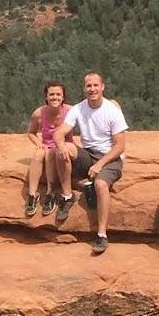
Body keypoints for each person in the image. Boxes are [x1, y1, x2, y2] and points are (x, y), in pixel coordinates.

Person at [53, 72, 128, 254]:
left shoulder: (112, 111)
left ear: (102, 87)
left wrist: (100, 164)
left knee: (101, 184)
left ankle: (101, 234)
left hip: (110, 157)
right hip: (88, 154)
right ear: (84, 88)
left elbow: (120, 146)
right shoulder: (79, 108)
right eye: (88, 86)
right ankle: (67, 196)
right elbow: (59, 133)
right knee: (61, 151)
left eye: (95, 85)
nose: (92, 89)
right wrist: (61, 145)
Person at [25, 81, 75, 217]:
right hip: (46, 145)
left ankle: (50, 193)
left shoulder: (70, 111)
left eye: (58, 94)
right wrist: (38, 143)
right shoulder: (39, 113)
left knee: (50, 154)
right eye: (51, 94)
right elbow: (31, 132)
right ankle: (32, 195)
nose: (55, 97)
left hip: (64, 145)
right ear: (46, 97)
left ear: (63, 97)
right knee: (38, 154)